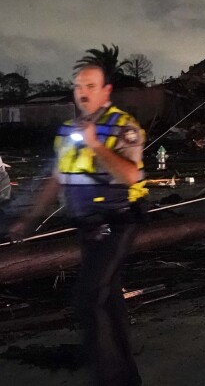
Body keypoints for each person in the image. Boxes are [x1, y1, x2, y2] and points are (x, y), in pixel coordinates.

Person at [10, 65, 148, 386]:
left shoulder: (123, 127)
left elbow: (130, 176)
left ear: (106, 91)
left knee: (89, 296)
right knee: (109, 301)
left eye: (90, 84)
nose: (82, 91)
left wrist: (96, 146)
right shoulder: (67, 131)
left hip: (118, 221)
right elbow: (57, 178)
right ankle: (126, 377)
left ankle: (110, 378)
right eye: (77, 86)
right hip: (87, 226)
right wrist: (29, 220)